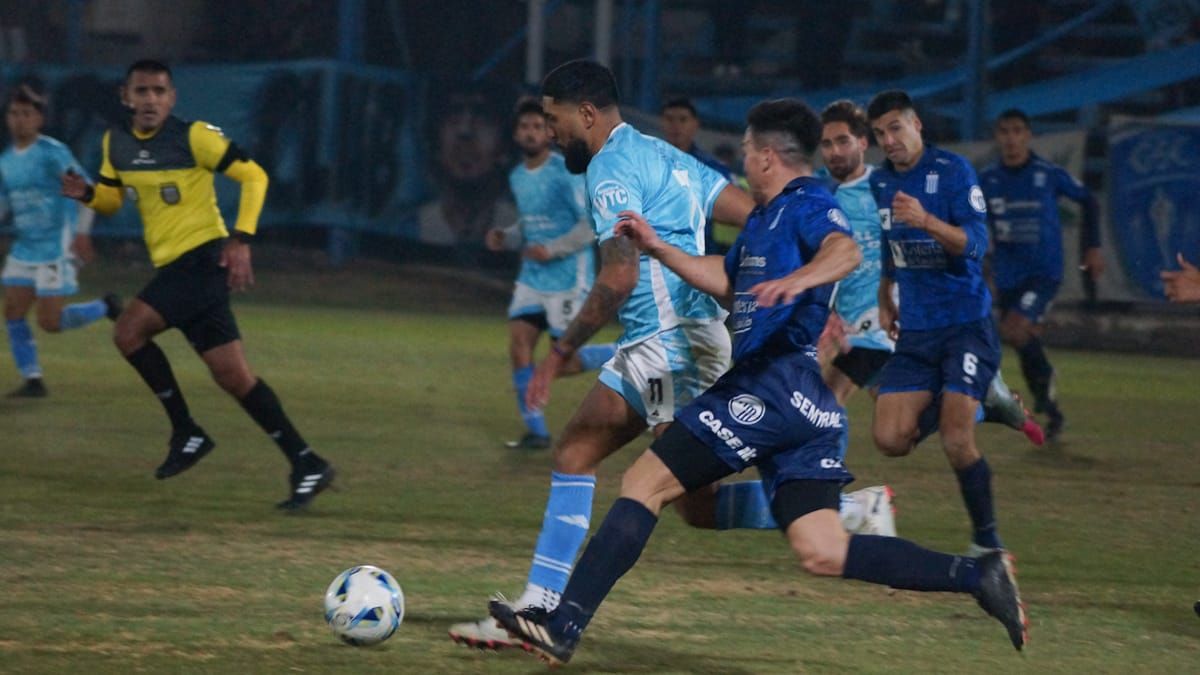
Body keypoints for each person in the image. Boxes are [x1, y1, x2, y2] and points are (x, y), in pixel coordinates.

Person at [488, 98, 1027, 665]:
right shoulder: (763, 219)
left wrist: (799, 281)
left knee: (643, 484)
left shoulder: (808, 202)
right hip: (808, 405)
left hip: (768, 383)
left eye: (746, 150)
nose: (741, 160)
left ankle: (563, 623)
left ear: (768, 156)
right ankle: (977, 575)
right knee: (822, 550)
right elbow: (726, 279)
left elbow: (842, 251)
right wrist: (660, 248)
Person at [448, 59, 754, 650]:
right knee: (614, 465)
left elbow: (617, 277)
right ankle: (539, 607)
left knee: (658, 488)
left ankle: (838, 514)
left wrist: (560, 351)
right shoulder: (662, 154)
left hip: (670, 349)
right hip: (672, 342)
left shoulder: (610, 168)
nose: (552, 129)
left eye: (553, 117)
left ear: (585, 113)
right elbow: (749, 210)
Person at [60, 59, 334, 510]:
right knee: (234, 377)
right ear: (125, 96)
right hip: (180, 268)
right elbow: (112, 198)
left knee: (128, 331)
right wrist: (87, 194)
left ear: (172, 98)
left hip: (202, 261)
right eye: (142, 91)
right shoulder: (117, 144)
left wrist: (241, 239)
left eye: (159, 91)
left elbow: (255, 176)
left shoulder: (194, 138)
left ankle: (186, 431)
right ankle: (307, 462)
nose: (150, 100)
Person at [866, 90, 1011, 556]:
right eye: (879, 133)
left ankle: (986, 542)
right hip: (917, 329)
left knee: (955, 438)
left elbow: (975, 245)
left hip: (966, 323)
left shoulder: (953, 173)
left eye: (895, 128)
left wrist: (927, 220)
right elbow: (893, 244)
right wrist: (885, 294)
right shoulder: (881, 184)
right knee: (889, 440)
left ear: (917, 126)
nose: (888, 140)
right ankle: (978, 397)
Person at [485, 98, 616, 449]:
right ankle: (537, 432)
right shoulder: (517, 175)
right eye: (524, 127)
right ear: (516, 133)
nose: (530, 132)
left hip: (568, 278)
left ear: (549, 132)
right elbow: (529, 224)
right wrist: (507, 236)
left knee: (565, 362)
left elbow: (589, 224)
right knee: (518, 346)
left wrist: (553, 249)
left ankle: (620, 352)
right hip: (532, 278)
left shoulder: (564, 173)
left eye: (537, 126)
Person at [980, 108, 1103, 441]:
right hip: (1008, 275)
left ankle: (1044, 389)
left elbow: (1089, 201)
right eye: (1004, 131)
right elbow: (973, 221)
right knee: (1019, 337)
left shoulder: (1047, 174)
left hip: (1042, 274)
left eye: (1017, 130)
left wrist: (1092, 247)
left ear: (1028, 135)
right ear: (997, 137)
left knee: (1015, 328)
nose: (1011, 138)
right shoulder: (987, 180)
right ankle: (1049, 404)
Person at [1, 84, 121, 397]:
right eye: (14, 113)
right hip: (25, 247)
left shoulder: (52, 152)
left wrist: (82, 233)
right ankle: (33, 379)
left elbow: (84, 189)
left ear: (39, 119)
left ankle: (104, 306)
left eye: (26, 113)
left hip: (55, 246)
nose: (19, 119)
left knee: (50, 322)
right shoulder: (6, 160)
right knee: (12, 311)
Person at [659, 97, 739, 253]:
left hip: (705, 254)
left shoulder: (712, 169)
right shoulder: (648, 164)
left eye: (683, 120)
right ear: (662, 122)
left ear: (695, 124)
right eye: (669, 119)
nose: (676, 126)